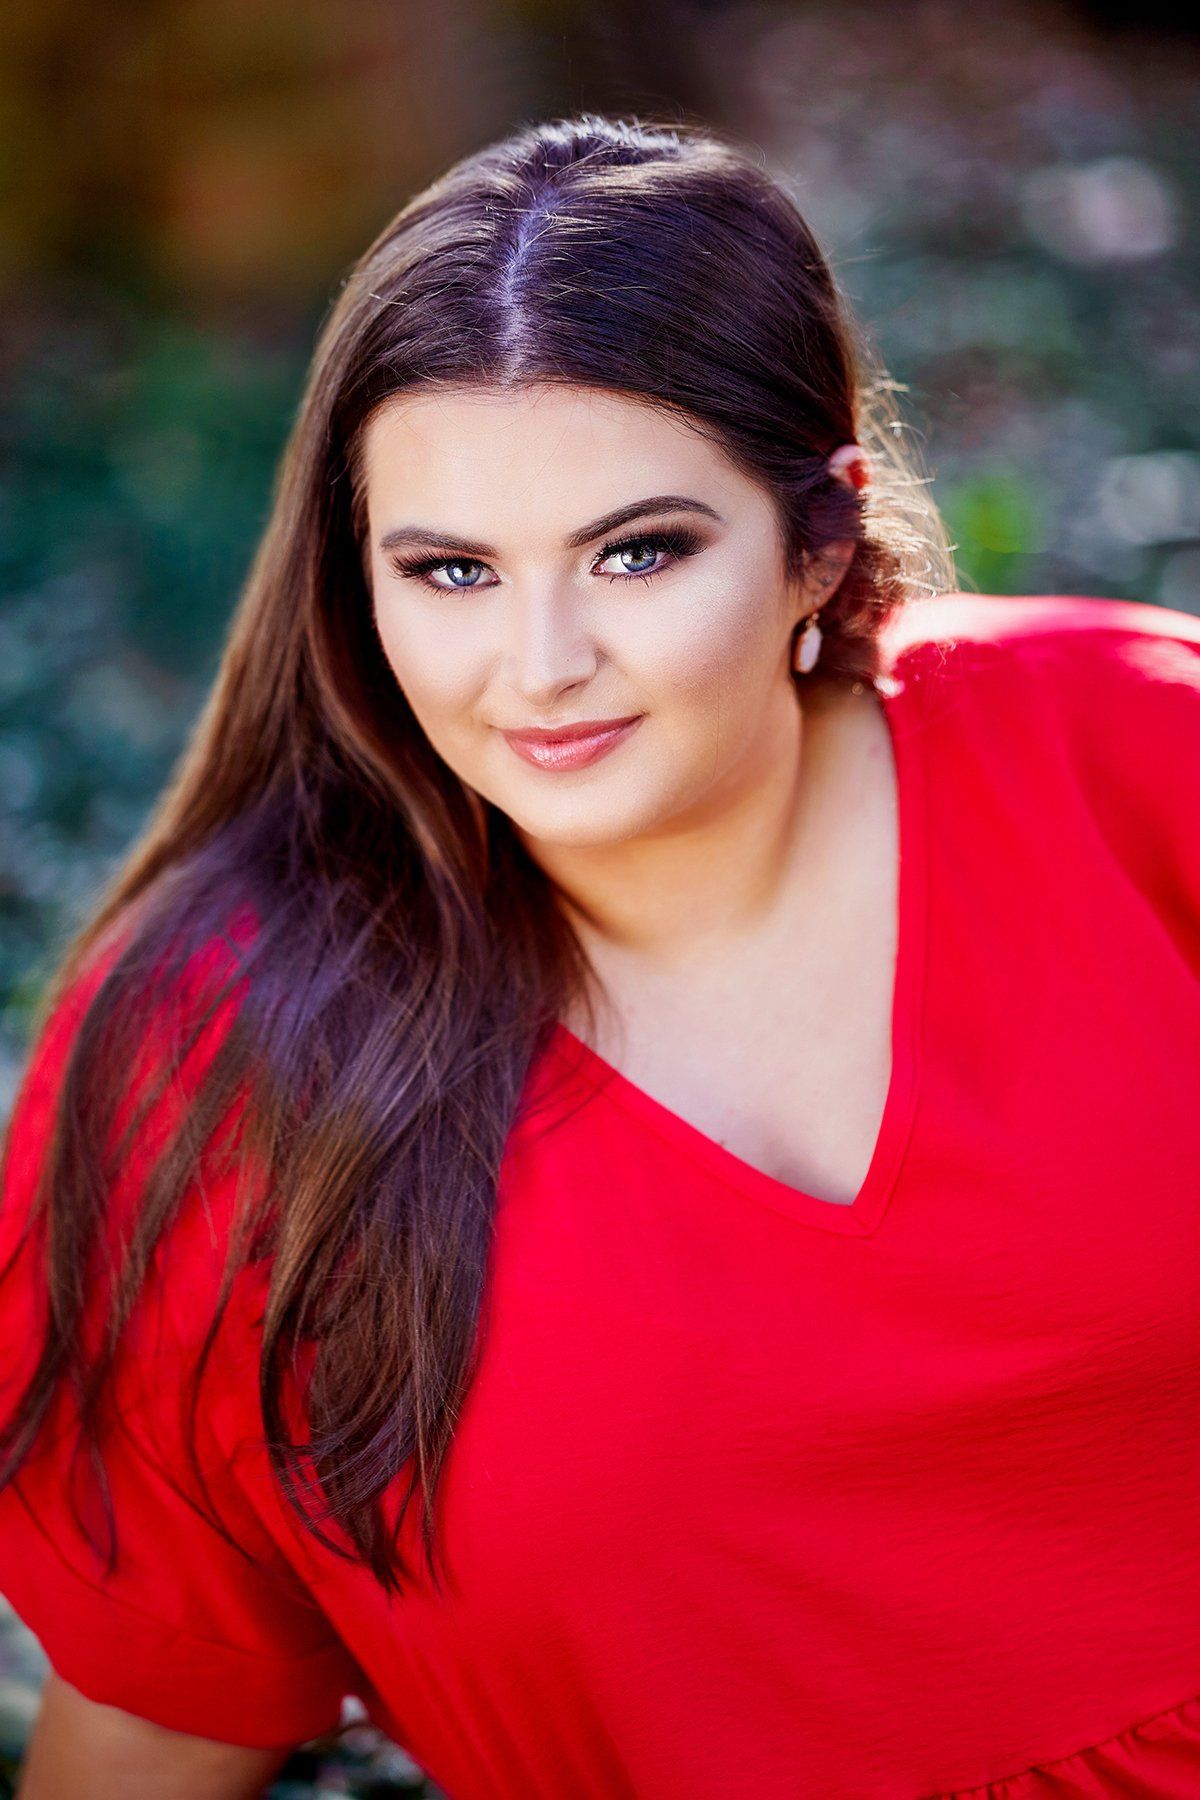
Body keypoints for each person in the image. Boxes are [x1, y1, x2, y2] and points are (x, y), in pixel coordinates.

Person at [2, 110, 1199, 1800]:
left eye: (639, 552)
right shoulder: (219, 1056)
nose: (543, 662)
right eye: (452, 571)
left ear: (823, 537)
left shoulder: (1141, 755)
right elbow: (161, 1703)